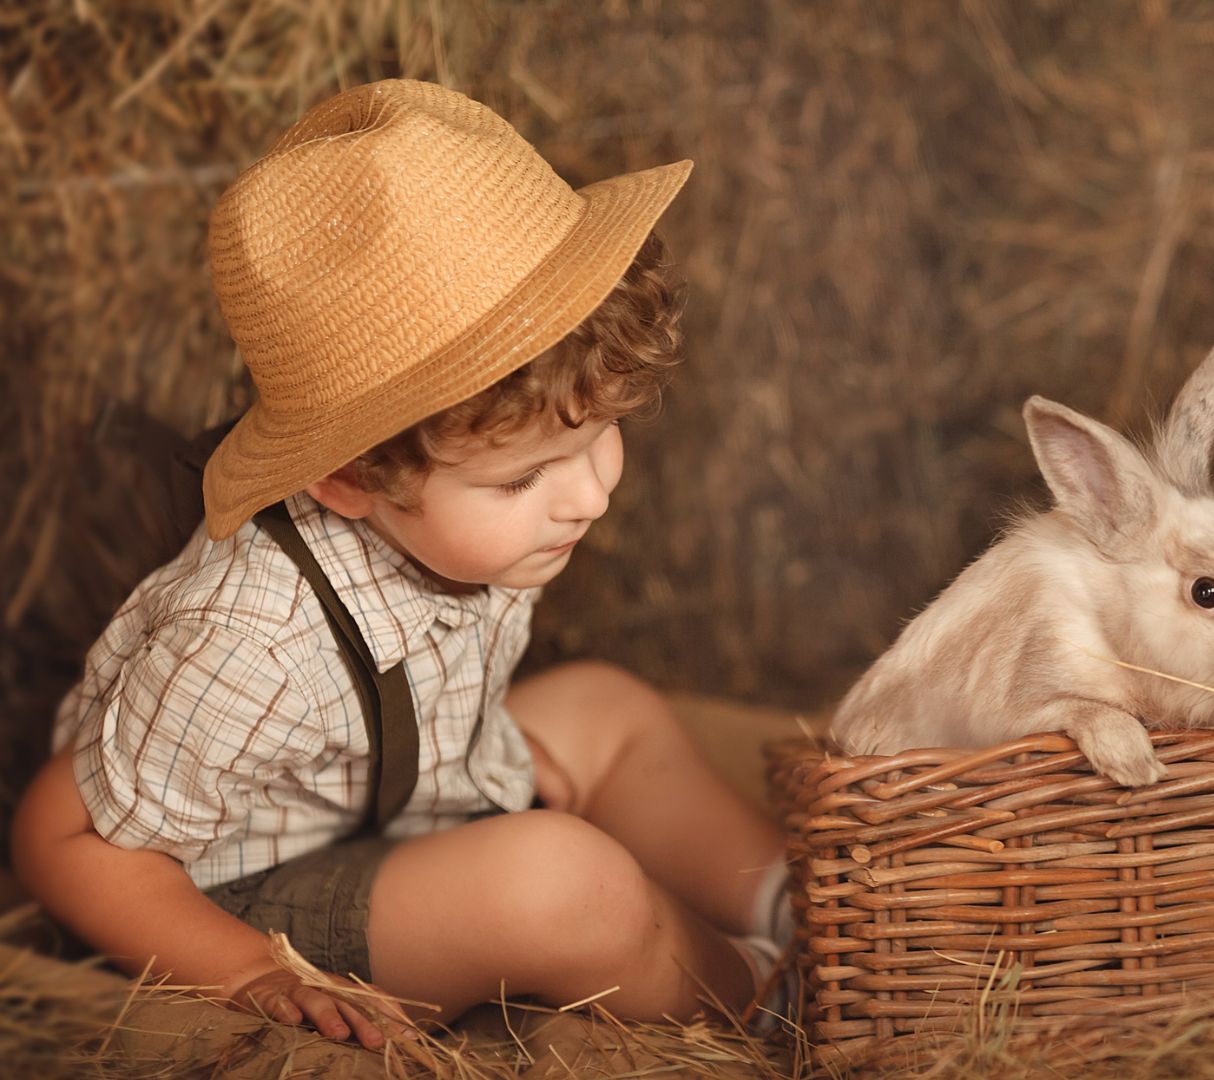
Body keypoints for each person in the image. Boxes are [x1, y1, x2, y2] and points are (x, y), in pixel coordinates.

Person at [9, 79, 791, 1047]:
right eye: (524, 480)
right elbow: (61, 838)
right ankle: (768, 998)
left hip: (385, 799)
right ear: (347, 480)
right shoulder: (248, 637)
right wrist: (252, 973)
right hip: (234, 907)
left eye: (601, 438)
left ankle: (813, 912)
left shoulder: (452, 511)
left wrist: (464, 772)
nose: (587, 496)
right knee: (563, 882)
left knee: (606, 707)